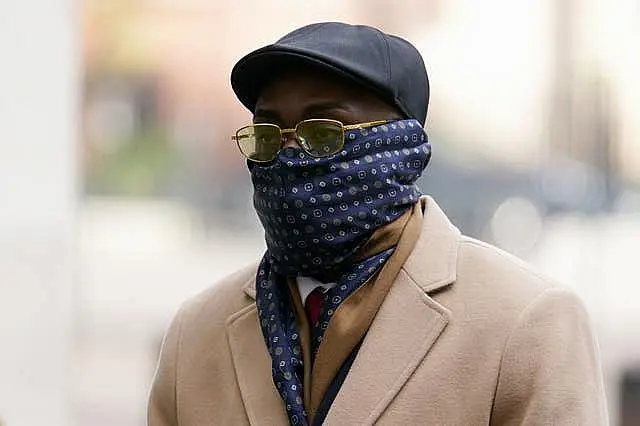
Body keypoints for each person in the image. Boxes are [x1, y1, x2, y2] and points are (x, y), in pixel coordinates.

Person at [148, 22, 608, 425]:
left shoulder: (526, 322)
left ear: (403, 145)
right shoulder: (197, 333)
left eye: (324, 132)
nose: (290, 156)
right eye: (268, 136)